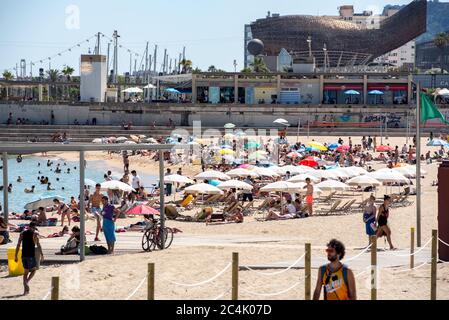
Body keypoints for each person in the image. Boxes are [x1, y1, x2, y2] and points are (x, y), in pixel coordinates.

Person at [15, 222, 44, 295]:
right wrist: (42, 255)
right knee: (34, 270)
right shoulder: (35, 234)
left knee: (25, 273)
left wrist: (15, 255)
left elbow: (18, 245)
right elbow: (38, 245)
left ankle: (26, 290)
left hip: (23, 255)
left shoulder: (22, 233)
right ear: (34, 227)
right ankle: (26, 283)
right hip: (31, 256)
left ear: (28, 226)